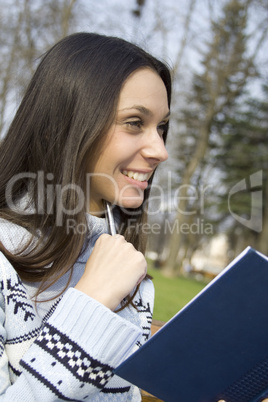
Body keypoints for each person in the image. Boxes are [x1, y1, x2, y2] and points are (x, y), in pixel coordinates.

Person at [0, 32, 171, 401]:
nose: (160, 150)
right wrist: (91, 304)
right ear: (66, 122)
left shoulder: (127, 268)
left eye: (161, 127)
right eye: (133, 122)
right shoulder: (4, 261)